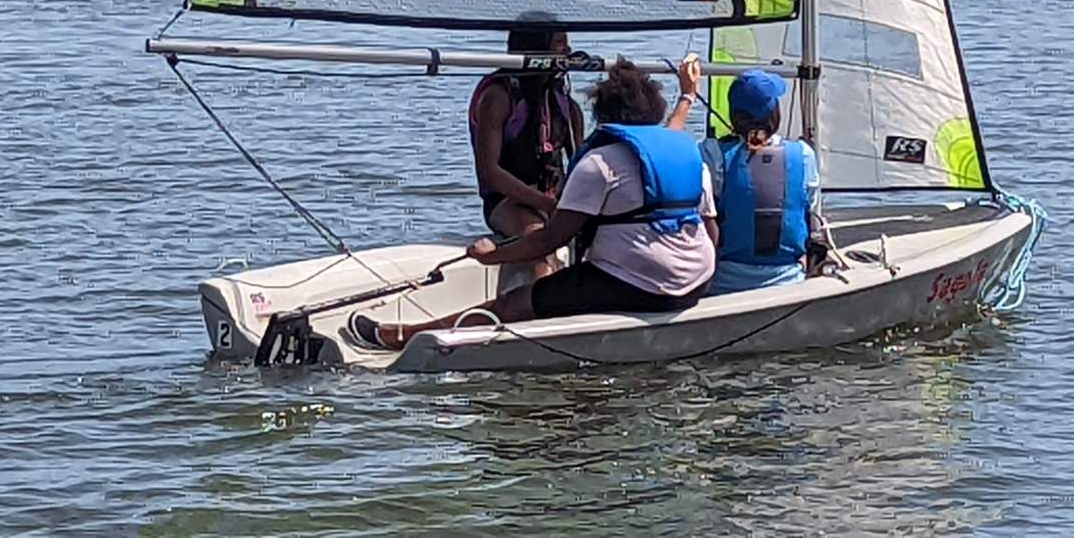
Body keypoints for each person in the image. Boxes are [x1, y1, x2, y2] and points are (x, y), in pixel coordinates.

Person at [349, 59, 717, 349]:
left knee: (512, 304)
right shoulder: (688, 156)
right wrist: (688, 94)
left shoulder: (598, 165)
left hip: (639, 286)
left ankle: (400, 336)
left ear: (602, 116)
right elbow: (712, 229)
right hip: (698, 281)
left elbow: (548, 241)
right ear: (654, 111)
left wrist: (490, 254)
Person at [667, 56, 819, 295]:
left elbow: (670, 151)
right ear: (773, 113)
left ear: (733, 115)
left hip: (723, 285)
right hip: (790, 281)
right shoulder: (803, 154)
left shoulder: (711, 152)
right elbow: (811, 214)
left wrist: (688, 95)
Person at [467, 29, 584, 283]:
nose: (567, 50)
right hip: (508, 201)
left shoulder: (565, 102)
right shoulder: (497, 97)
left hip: (556, 197)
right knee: (538, 238)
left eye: (567, 43)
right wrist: (544, 204)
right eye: (559, 43)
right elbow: (490, 171)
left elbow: (582, 165)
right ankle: (542, 308)